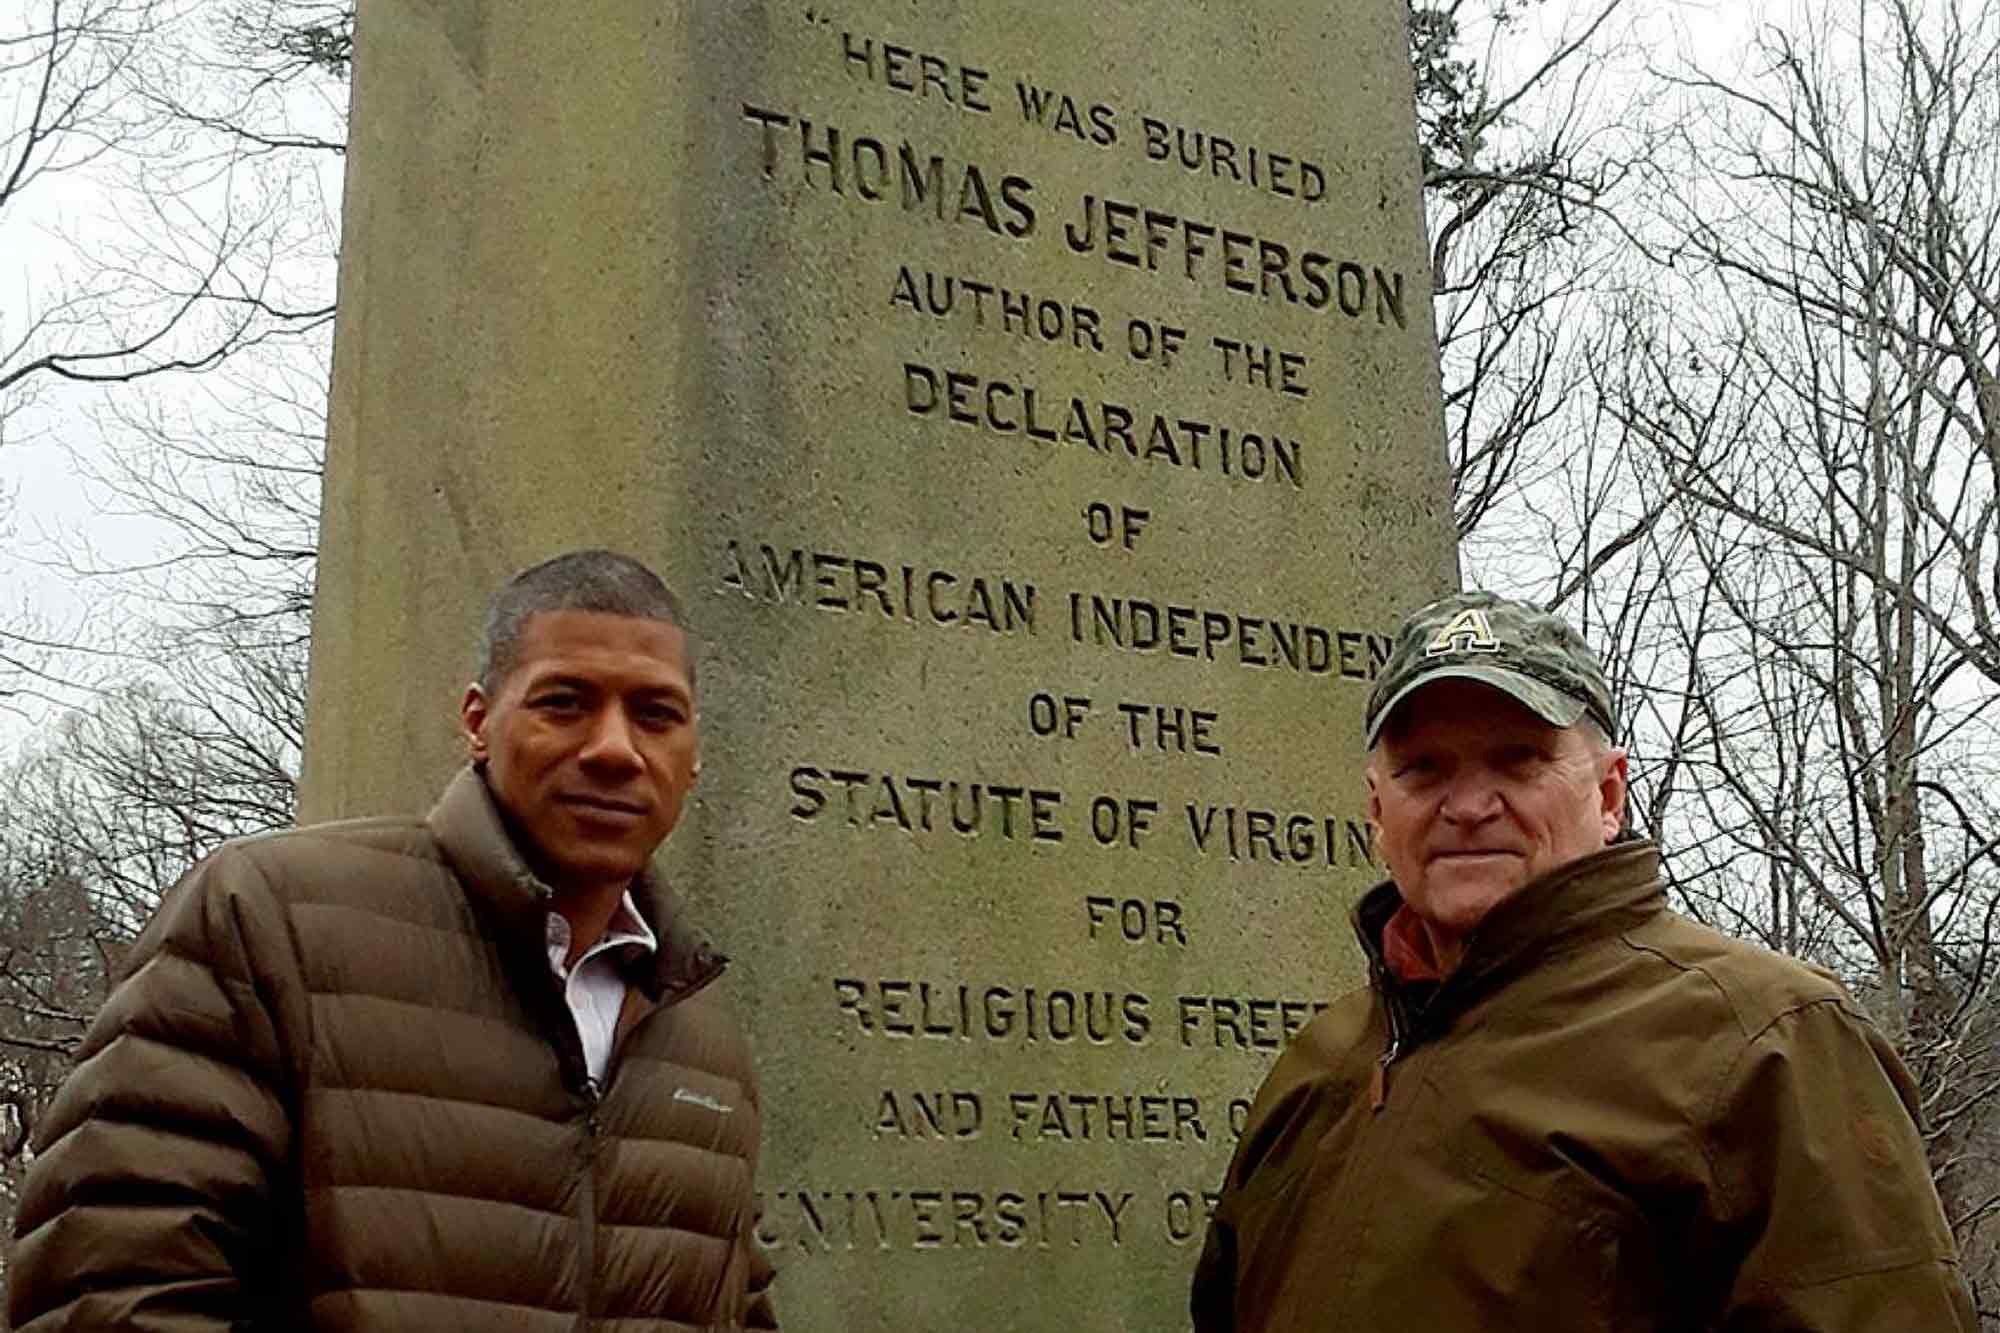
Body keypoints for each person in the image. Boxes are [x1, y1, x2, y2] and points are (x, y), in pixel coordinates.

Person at [9, 549, 776, 1330]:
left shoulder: (699, 1026)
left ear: (694, 756)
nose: (614, 748)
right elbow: (103, 1289)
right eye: (565, 702)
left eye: (656, 714)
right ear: (479, 721)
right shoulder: (272, 917)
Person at [1191, 590, 1976, 1331]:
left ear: (1608, 794)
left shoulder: (1762, 1038)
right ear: (1375, 810)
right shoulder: (1318, 1064)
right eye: (1423, 768)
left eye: (1518, 759)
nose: (1467, 805)